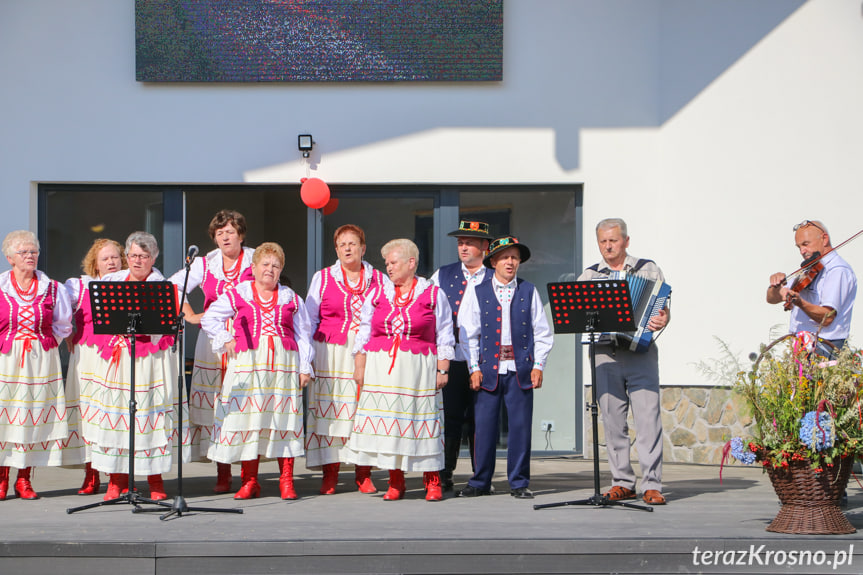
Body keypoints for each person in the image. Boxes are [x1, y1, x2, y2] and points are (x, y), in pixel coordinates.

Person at [201, 242, 314, 500]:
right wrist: (225, 338)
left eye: (276, 266)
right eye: (265, 264)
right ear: (254, 267)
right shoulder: (240, 292)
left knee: (282, 419)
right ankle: (250, 481)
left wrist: (305, 367)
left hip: (282, 367)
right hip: (247, 364)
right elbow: (210, 318)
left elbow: (304, 334)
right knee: (247, 420)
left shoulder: (291, 298)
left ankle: (286, 481)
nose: (270, 270)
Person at [345, 239, 454, 502]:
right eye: (387, 264)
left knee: (422, 421)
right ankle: (396, 481)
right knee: (391, 425)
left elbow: (445, 333)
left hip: (418, 367)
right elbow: (364, 329)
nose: (389, 268)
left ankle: (433, 481)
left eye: (393, 263)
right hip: (382, 368)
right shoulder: (379, 293)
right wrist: (360, 366)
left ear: (411, 263)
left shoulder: (432, 293)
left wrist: (443, 368)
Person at [576, 218, 669, 505]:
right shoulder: (589, 276)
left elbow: (662, 310)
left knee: (648, 420)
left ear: (626, 241)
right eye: (603, 241)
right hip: (605, 353)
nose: (607, 246)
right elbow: (578, 318)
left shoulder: (648, 269)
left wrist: (663, 318)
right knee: (613, 422)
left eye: (613, 240)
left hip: (640, 353)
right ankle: (622, 482)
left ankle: (652, 484)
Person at [86, 231, 181, 501]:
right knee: (118, 416)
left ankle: (155, 481)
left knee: (149, 418)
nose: (138, 260)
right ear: (127, 257)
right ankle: (116, 481)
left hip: (149, 359)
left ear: (154, 258)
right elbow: (100, 316)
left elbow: (166, 326)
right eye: (133, 255)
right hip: (120, 357)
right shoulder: (111, 281)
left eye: (144, 256)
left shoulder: (162, 285)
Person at [457, 236, 553, 499]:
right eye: (505, 257)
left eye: (514, 257)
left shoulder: (529, 290)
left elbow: (542, 333)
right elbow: (468, 334)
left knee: (521, 427)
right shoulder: (477, 291)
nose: (510, 262)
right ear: (494, 261)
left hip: (520, 369)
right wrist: (473, 367)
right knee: (484, 428)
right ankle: (480, 481)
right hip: (488, 369)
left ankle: (519, 482)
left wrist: (538, 365)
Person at [168, 209, 254, 494]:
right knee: (218, 405)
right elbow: (172, 287)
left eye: (230, 231)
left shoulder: (255, 258)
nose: (225, 237)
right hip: (214, 339)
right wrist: (192, 315)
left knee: (246, 401)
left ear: (241, 234)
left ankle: (249, 474)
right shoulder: (206, 263)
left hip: (247, 337)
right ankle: (222, 472)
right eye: (220, 233)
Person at [305, 225, 385, 495]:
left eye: (353, 243)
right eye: (342, 244)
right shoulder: (323, 277)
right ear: (336, 249)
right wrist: (309, 358)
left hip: (366, 353)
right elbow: (309, 318)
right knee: (332, 412)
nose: (348, 248)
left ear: (363, 248)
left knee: (362, 412)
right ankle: (330, 473)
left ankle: (363, 473)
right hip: (331, 352)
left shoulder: (378, 278)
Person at [0, 230, 74, 501]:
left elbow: (63, 325)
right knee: (4, 418)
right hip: (5, 360)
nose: (30, 256)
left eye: (33, 252)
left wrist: (42, 342)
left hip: (40, 360)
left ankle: (24, 480)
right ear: (10, 258)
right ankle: (1, 478)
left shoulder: (52, 287)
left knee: (32, 417)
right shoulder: (0, 286)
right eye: (24, 252)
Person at [430, 219, 493, 491]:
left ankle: (481, 478)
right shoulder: (443, 274)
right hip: (452, 359)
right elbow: (427, 310)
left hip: (486, 360)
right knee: (451, 418)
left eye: (469, 242)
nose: (463, 247)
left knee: (481, 420)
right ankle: (445, 474)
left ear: (485, 246)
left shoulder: (495, 276)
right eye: (460, 243)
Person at [64, 238, 126, 496]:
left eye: (115, 257)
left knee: (114, 415)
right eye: (105, 258)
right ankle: (91, 474)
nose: (111, 262)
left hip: (116, 357)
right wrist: (66, 332)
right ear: (95, 264)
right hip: (87, 357)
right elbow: (58, 313)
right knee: (88, 416)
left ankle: (118, 476)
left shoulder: (131, 284)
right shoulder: (77, 286)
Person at [767, 220, 856, 352]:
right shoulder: (810, 268)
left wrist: (800, 303)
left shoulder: (837, 270)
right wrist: (775, 286)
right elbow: (772, 299)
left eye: (806, 244)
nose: (802, 251)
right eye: (799, 247)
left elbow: (828, 317)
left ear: (824, 239)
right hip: (802, 345)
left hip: (825, 347)